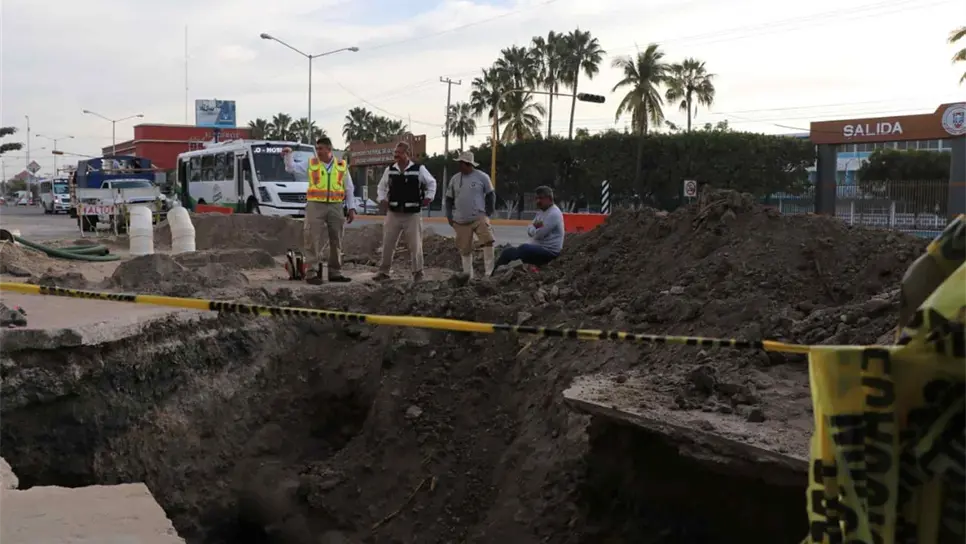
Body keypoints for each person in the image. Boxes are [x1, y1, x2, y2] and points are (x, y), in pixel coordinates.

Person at [282, 137, 355, 284]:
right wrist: (288, 155)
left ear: (329, 149)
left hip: (336, 206)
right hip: (315, 205)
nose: (318, 151)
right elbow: (291, 168)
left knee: (337, 239)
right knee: (311, 239)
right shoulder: (312, 164)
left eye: (321, 148)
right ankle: (311, 273)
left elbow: (349, 187)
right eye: (317, 148)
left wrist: (351, 207)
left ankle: (335, 272)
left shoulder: (341, 165)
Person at [373, 141, 437, 282]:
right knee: (388, 243)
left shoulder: (419, 169)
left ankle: (418, 272)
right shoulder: (390, 170)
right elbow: (381, 187)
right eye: (395, 153)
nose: (396, 155)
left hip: (412, 214)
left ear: (407, 154)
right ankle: (384, 271)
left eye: (399, 153)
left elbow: (432, 183)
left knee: (415, 245)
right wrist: (382, 199)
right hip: (393, 213)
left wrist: (429, 197)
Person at [445, 151, 496, 278]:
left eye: (462, 163)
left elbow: (491, 195)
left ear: (469, 164)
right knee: (465, 249)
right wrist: (449, 216)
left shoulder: (482, 177)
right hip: (461, 221)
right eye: (459, 163)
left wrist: (488, 212)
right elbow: (449, 199)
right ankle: (468, 275)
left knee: (488, 242)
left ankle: (489, 272)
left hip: (479, 217)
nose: (460, 166)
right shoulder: (455, 179)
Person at [491, 186, 564, 274]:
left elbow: (538, 234)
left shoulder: (553, 214)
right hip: (538, 248)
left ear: (549, 199)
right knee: (507, 252)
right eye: (536, 198)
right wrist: (535, 228)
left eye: (540, 198)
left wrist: (534, 229)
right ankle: (494, 275)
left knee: (523, 248)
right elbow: (530, 227)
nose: (538, 201)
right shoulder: (541, 212)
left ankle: (497, 274)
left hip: (548, 252)